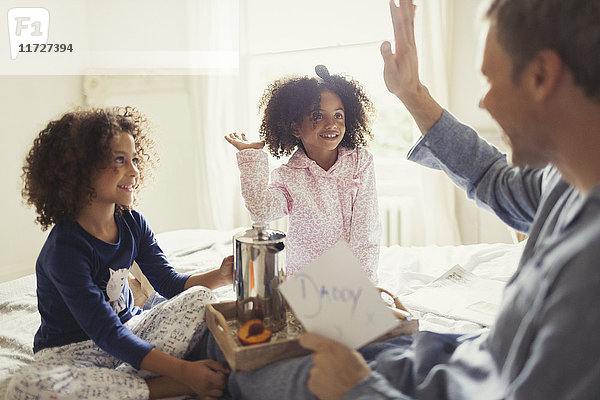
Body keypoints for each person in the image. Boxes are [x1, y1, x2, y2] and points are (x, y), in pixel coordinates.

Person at [205, 0, 600, 398]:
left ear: (542, 75)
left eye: (490, 80)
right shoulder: (566, 180)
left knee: (254, 375)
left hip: (472, 377)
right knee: (260, 353)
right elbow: (493, 178)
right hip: (465, 355)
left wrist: (358, 388)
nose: (484, 103)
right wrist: (412, 92)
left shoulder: (589, 269)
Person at [7, 107, 234, 400]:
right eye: (119, 160)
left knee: (201, 298)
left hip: (131, 328)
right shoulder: (64, 249)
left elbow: (168, 284)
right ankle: (163, 387)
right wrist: (185, 373)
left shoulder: (132, 221)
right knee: (25, 387)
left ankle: (115, 387)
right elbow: (105, 332)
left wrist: (219, 276)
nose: (134, 170)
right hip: (73, 354)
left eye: (135, 159)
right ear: (80, 168)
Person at [224, 65, 381, 282]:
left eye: (338, 115)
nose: (331, 124)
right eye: (318, 115)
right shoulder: (289, 176)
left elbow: (367, 230)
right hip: (307, 282)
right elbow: (261, 211)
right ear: (296, 128)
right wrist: (251, 155)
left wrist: (364, 284)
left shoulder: (360, 161)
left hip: (356, 278)